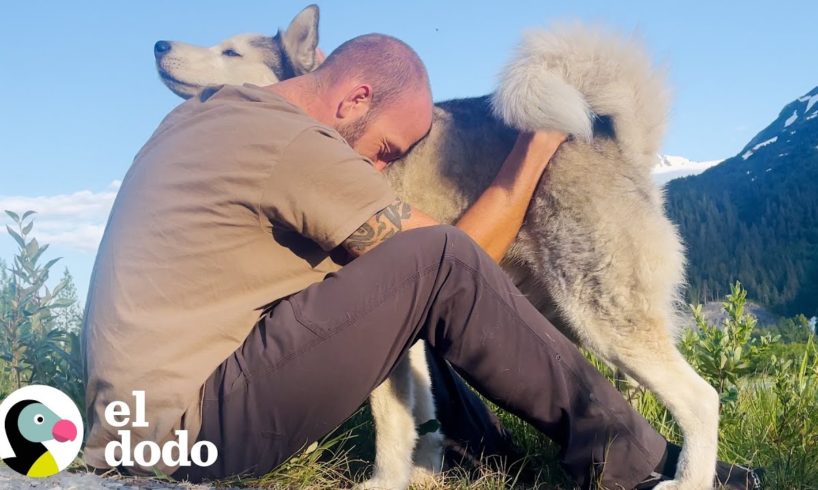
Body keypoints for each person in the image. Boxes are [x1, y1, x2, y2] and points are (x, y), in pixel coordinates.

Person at [82, 33, 762, 489]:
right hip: (183, 435)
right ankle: (633, 466)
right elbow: (453, 263)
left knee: (387, 277)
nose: (383, 168)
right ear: (352, 100)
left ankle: (465, 451)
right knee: (429, 253)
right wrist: (533, 147)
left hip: (139, 422)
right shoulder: (290, 143)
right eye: (385, 150)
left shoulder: (206, 122)